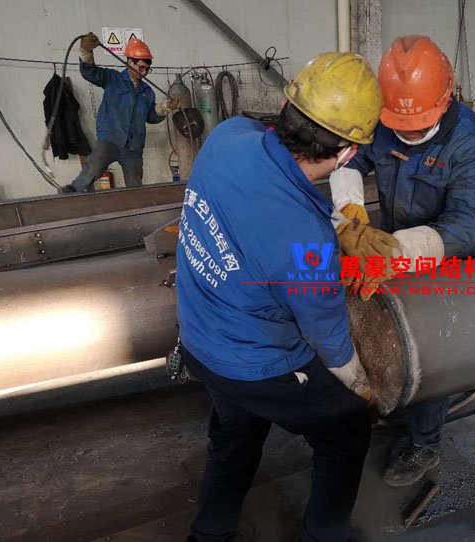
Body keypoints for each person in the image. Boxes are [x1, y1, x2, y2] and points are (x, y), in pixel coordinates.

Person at [176, 52, 398, 542]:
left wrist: (337, 224)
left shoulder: (227, 137)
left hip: (199, 339)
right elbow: (328, 337)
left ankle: (209, 535)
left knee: (235, 435)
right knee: (345, 431)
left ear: (284, 105)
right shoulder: (308, 242)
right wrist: (361, 387)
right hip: (256, 362)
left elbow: (267, 204)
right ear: (347, 154)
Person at [329, 35, 475, 487]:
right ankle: (398, 401)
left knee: (431, 351)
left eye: (420, 127)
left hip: (444, 258)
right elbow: (350, 159)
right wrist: (349, 208)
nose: (410, 133)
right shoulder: (385, 123)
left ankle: (426, 442)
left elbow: (465, 226)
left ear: (447, 96)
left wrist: (397, 252)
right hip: (390, 246)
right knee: (385, 332)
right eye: (401, 125)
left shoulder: (470, 141)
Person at [61, 33, 178, 192]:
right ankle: (72, 193)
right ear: (130, 62)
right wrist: (86, 51)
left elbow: (150, 116)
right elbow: (90, 73)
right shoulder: (112, 79)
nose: (144, 73)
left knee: (135, 185)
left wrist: (165, 107)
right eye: (141, 67)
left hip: (133, 146)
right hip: (110, 139)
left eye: (147, 69)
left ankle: (135, 205)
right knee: (91, 171)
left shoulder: (147, 91)